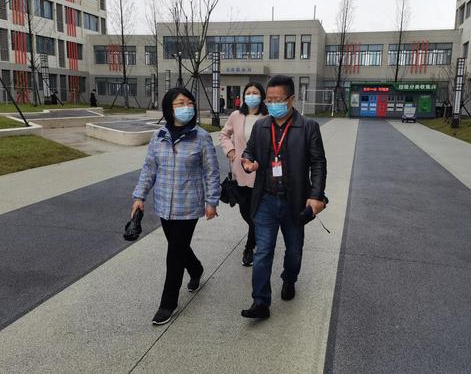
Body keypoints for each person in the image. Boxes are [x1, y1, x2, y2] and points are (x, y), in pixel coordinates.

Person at [131, 87, 221, 326]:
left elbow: (211, 172)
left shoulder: (201, 137)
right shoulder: (159, 136)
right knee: (178, 247)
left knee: (174, 254)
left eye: (189, 103)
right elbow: (149, 168)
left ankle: (168, 303)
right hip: (163, 204)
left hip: (188, 205)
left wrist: (212, 201)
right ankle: (196, 268)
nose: (186, 107)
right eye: (180, 103)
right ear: (169, 108)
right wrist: (140, 196)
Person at [240, 75, 327, 319]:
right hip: (266, 199)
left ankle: (289, 278)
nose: (272, 104)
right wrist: (247, 162)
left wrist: (316, 196)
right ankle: (260, 301)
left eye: (278, 100)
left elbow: (318, 164)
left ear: (291, 99)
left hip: (294, 201)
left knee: (294, 250)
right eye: (269, 100)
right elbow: (249, 151)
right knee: (263, 251)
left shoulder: (308, 127)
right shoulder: (261, 126)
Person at [219, 82, 268, 267]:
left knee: (256, 214)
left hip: (262, 173)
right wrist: (230, 150)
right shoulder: (236, 115)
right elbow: (224, 134)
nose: (252, 95)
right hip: (240, 172)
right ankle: (257, 238)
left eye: (256, 92)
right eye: (249, 92)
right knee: (246, 211)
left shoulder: (268, 117)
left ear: (262, 96)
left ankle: (249, 247)